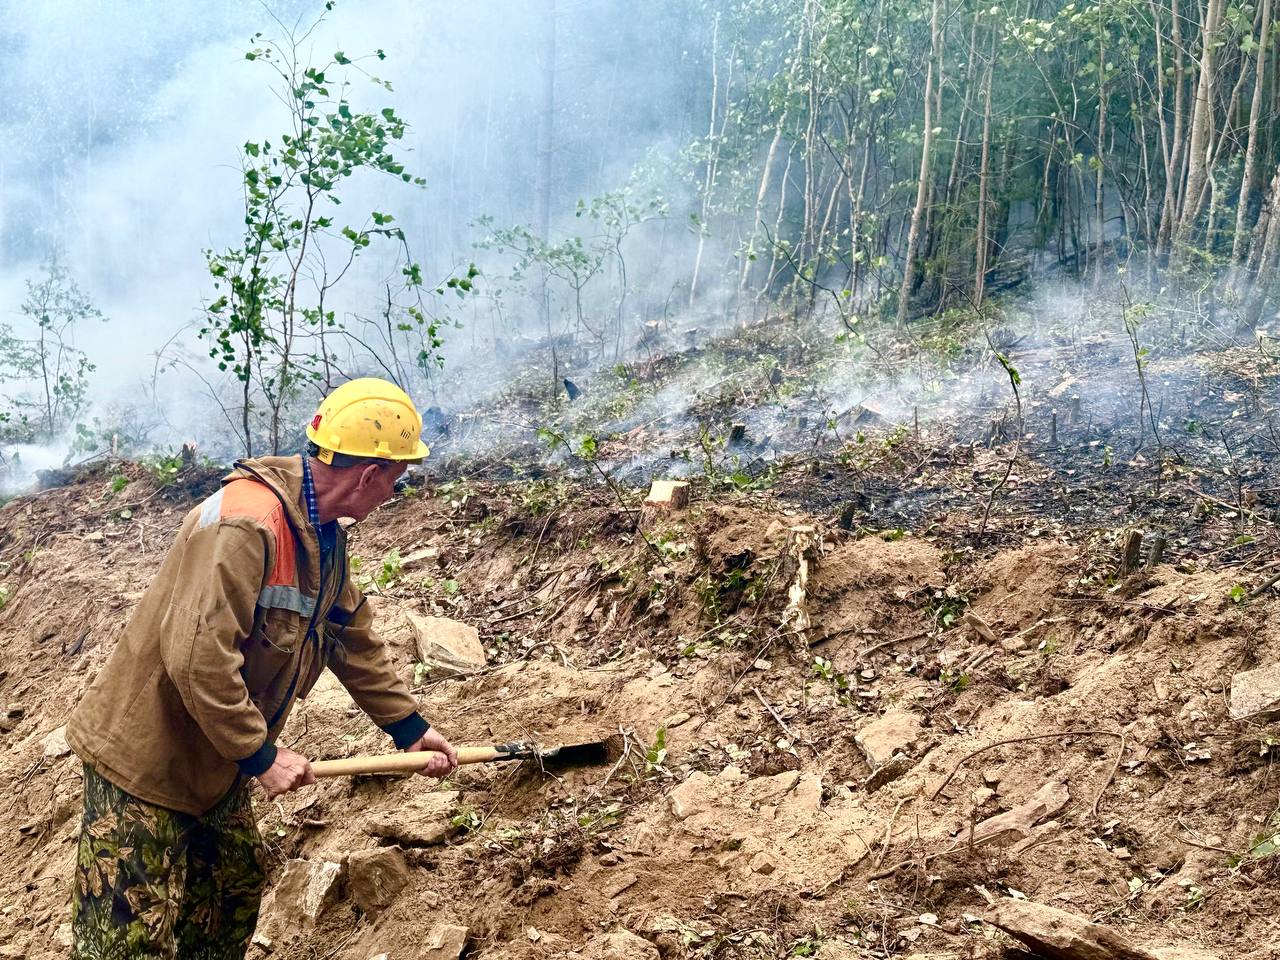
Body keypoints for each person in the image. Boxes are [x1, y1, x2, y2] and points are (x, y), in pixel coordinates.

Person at [66, 378, 458, 959]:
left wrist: (407, 727)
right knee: (127, 942)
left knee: (228, 900)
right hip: (146, 765)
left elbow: (349, 635)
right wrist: (260, 756)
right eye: (395, 479)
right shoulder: (247, 525)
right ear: (370, 475)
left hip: (215, 763)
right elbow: (197, 658)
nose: (393, 494)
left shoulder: (321, 536)